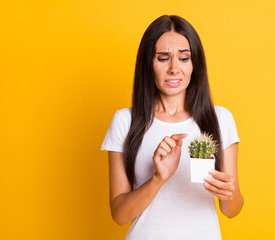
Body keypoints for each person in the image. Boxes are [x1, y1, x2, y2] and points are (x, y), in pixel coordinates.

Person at [100, 15, 244, 240]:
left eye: (184, 58)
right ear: (148, 64)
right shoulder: (125, 121)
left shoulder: (220, 119)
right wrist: (158, 178)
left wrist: (228, 192)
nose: (174, 69)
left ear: (194, 64)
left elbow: (231, 209)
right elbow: (119, 215)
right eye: (163, 58)